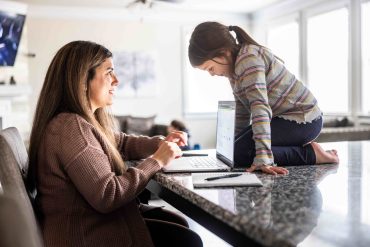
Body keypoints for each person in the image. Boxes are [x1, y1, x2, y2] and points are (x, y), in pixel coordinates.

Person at [27, 40, 203, 247]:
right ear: (83, 80)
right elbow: (108, 195)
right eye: (109, 72)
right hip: (85, 235)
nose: (117, 80)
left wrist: (159, 143)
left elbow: (120, 142)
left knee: (178, 223)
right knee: (187, 240)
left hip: (89, 223)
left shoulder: (78, 121)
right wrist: (157, 160)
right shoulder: (70, 127)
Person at [188, 22, 339, 175]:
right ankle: (294, 151)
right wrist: (233, 146)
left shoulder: (248, 59)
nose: (212, 74)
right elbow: (242, 110)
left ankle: (311, 154)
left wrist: (263, 157)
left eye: (210, 68)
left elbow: (259, 107)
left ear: (224, 53)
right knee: (236, 153)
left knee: (242, 153)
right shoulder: (233, 70)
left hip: (304, 120)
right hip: (281, 119)